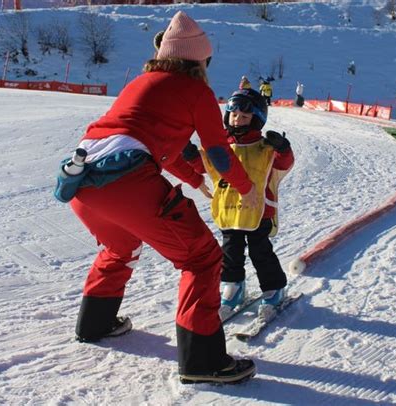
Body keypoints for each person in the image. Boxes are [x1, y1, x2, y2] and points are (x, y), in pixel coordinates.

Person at [54, 11, 258, 385]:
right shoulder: (197, 90)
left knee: (121, 245)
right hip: (127, 182)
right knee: (202, 257)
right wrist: (248, 190)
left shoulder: (142, 82)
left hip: (81, 181)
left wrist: (194, 179)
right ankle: (203, 361)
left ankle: (95, 323)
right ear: (200, 60)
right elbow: (218, 152)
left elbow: (164, 147)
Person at [182, 88, 294, 318]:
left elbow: (283, 164)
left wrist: (283, 147)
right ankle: (234, 287)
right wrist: (191, 155)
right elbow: (206, 166)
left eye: (245, 116)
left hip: (258, 212)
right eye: (234, 114)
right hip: (230, 212)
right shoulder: (220, 145)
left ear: (257, 119)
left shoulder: (264, 148)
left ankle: (274, 290)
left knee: (260, 253)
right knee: (230, 254)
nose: (238, 119)